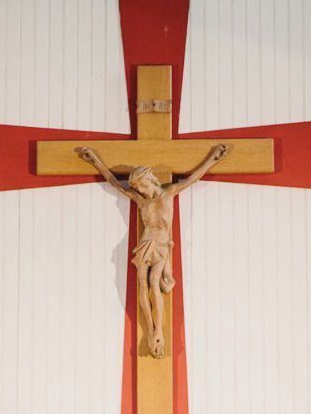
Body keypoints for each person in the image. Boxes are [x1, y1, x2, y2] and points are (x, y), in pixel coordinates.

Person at [75, 145, 229, 359]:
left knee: (155, 282)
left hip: (162, 243)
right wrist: (95, 162)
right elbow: (113, 183)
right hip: (146, 242)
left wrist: (213, 159)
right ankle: (150, 327)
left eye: (143, 187)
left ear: (150, 180)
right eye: (138, 189)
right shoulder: (142, 201)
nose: (141, 191)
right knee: (142, 281)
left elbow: (193, 179)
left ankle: (158, 331)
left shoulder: (169, 193)